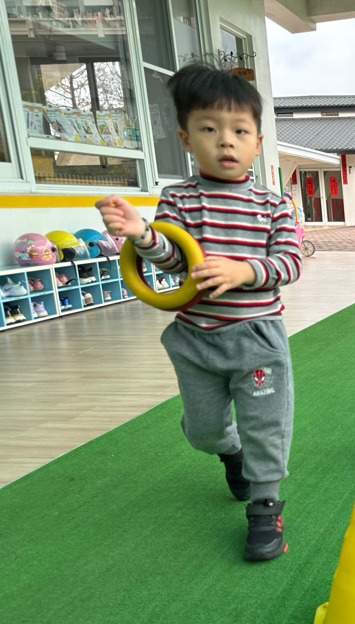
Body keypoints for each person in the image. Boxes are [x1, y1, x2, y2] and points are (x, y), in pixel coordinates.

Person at [95, 64, 302, 561]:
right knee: (204, 431)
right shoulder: (179, 200)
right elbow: (173, 260)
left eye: (239, 131)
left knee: (265, 424)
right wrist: (142, 235)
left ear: (257, 143)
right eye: (209, 129)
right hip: (195, 338)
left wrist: (243, 271)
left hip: (256, 338)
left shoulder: (273, 205)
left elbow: (290, 262)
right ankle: (230, 453)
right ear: (187, 139)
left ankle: (265, 505)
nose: (225, 141)